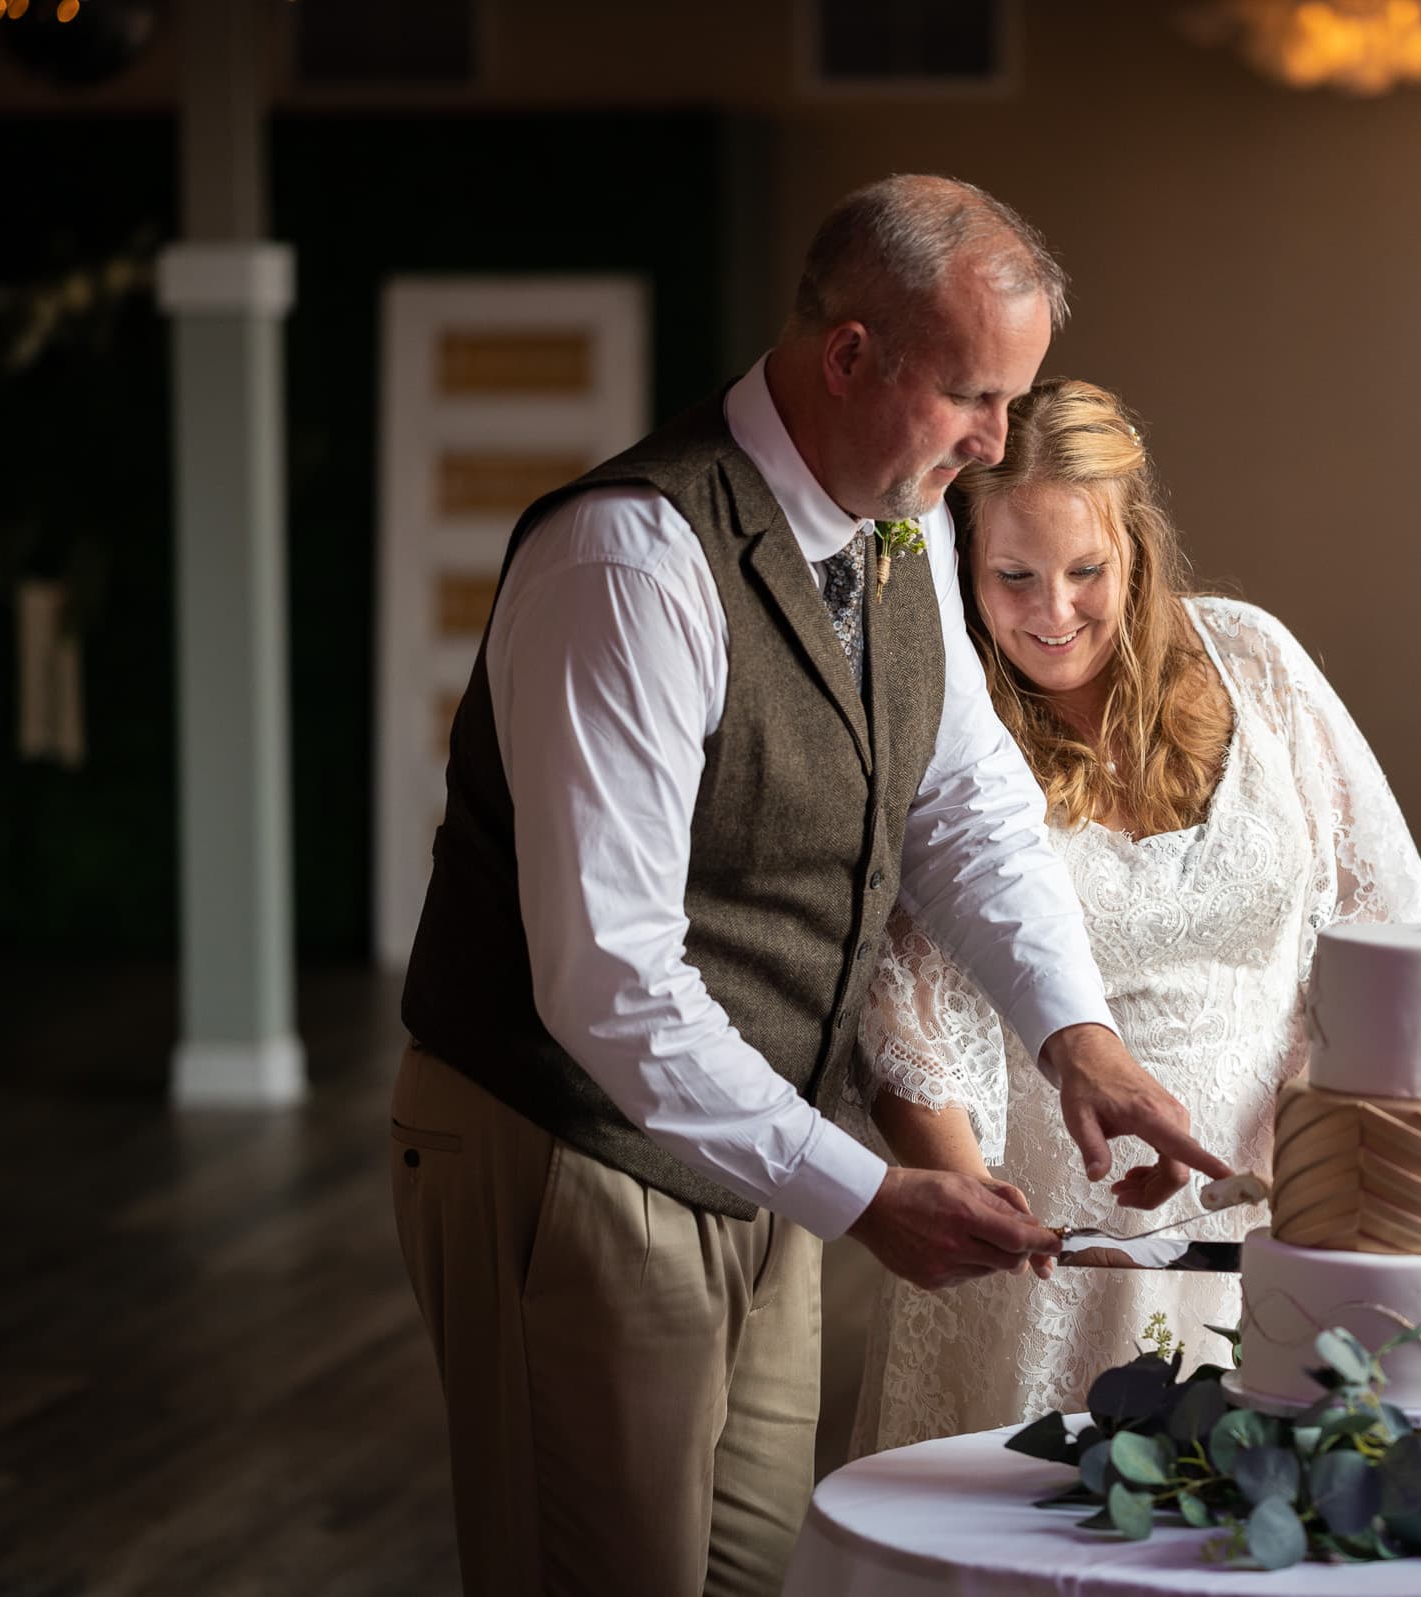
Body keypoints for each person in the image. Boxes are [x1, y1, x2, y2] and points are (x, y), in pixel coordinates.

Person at [385, 177, 1229, 1597]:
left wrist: (1078, 1037)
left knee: (749, 1576)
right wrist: (864, 1194)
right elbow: (607, 983)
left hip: (752, 1160)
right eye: (971, 393)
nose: (998, 440)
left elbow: (969, 812)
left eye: (1011, 399)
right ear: (849, 358)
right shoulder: (629, 560)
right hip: (566, 1144)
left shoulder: (896, 535)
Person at [841, 378, 1421, 1454]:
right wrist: (987, 1216)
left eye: (1086, 571)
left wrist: (1328, 1160)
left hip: (1277, 1217)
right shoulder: (951, 726)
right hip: (1053, 1252)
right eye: (1012, 576)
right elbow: (902, 1011)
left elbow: (1390, 920)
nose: (1053, 611)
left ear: (1137, 549)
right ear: (963, 566)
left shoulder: (1253, 662)